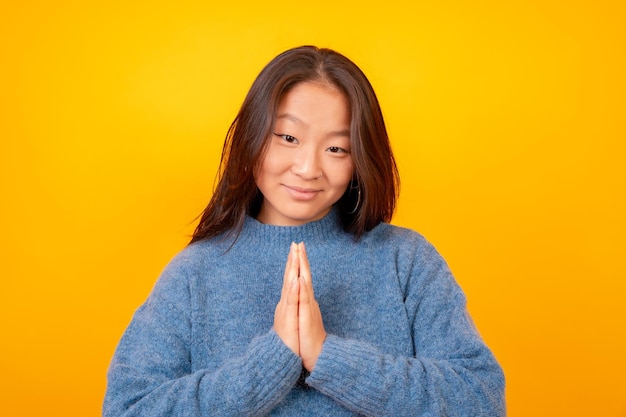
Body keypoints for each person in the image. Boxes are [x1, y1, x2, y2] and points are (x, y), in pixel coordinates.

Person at [103, 45, 505, 416]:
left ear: (360, 157)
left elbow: (481, 398)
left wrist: (329, 356)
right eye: (288, 137)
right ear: (252, 137)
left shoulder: (407, 260)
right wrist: (273, 361)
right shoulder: (195, 273)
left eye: (336, 148)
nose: (309, 167)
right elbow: (127, 408)